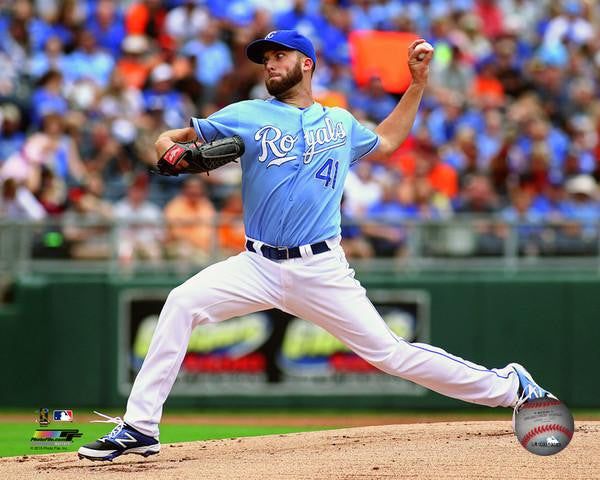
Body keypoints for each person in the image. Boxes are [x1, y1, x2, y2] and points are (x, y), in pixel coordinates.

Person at [78, 30, 555, 462]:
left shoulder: (340, 122)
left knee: (391, 355)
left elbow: (387, 141)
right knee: (181, 303)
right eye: (264, 58)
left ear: (307, 63)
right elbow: (168, 138)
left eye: (279, 56)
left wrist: (416, 85)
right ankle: (140, 426)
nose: (269, 65)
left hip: (321, 268)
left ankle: (510, 385)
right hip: (256, 264)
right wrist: (169, 150)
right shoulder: (244, 115)